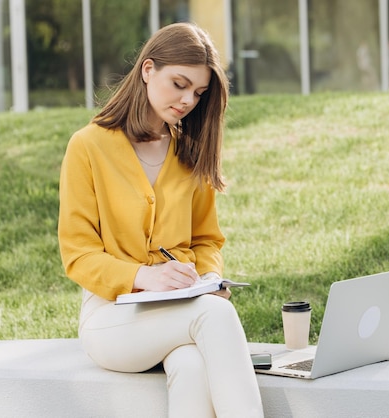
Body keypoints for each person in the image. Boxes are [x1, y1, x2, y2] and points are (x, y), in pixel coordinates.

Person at [58, 22, 264, 418]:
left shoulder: (190, 150)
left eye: (199, 92)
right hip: (111, 318)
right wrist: (142, 276)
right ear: (148, 70)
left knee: (191, 367)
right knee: (215, 315)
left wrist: (208, 279)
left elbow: (206, 240)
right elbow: (78, 254)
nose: (188, 100)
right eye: (179, 84)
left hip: (179, 311)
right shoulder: (88, 146)